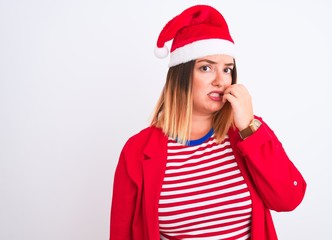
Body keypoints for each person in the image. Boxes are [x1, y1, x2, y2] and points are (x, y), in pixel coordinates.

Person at [110, 4, 306, 240]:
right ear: (180, 76)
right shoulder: (137, 151)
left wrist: (249, 128)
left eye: (227, 69)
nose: (220, 80)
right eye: (206, 68)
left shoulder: (248, 132)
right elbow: (121, 233)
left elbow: (289, 198)